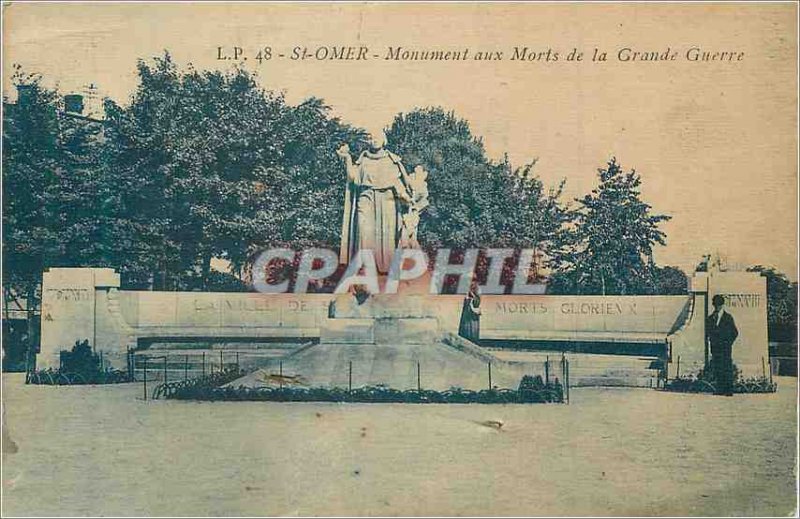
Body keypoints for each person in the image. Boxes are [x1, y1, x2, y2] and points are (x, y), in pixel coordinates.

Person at [337, 131, 413, 273]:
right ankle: (363, 267)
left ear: (384, 140)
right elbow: (353, 178)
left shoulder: (391, 160)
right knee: (363, 229)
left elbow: (397, 182)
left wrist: (406, 197)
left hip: (387, 199)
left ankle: (386, 269)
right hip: (366, 197)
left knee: (387, 234)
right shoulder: (363, 160)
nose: (374, 139)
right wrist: (347, 158)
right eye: (371, 137)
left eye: (377, 137)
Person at [706, 294, 738, 396]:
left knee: (727, 368)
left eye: (719, 305)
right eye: (715, 305)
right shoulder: (710, 318)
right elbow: (708, 332)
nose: (717, 307)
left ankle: (728, 390)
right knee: (718, 368)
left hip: (725, 348)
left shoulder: (728, 318)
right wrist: (712, 341)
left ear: (722, 305)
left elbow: (735, 332)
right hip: (715, 348)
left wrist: (728, 343)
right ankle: (719, 389)